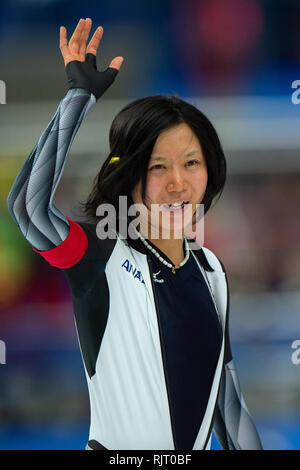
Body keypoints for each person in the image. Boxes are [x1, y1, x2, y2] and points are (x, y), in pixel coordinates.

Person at [7, 18, 263, 451]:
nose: (177, 183)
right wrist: (78, 98)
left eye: (191, 163)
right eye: (157, 166)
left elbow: (228, 405)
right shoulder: (100, 251)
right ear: (128, 176)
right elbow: (28, 210)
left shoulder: (213, 271)